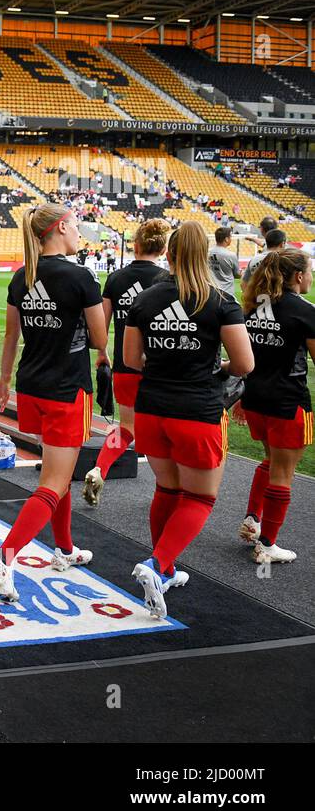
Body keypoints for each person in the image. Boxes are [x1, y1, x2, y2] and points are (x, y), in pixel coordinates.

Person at [123, 221, 253, 618]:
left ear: (171, 253)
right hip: (196, 412)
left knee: (167, 490)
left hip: (151, 409)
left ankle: (164, 567)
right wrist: (214, 366)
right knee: (200, 497)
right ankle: (156, 564)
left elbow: (131, 360)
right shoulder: (220, 301)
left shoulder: (144, 300)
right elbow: (244, 364)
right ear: (206, 253)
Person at [0, 205, 107, 601]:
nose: (79, 233)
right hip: (66, 389)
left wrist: (3, 380)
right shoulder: (80, 277)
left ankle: (65, 548)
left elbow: (10, 337)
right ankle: (4, 557)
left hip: (30, 385)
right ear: (59, 229)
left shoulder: (24, 276)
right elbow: (101, 340)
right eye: (75, 225)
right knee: (53, 483)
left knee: (61, 470)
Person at [84, 219, 171, 505]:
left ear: (136, 244)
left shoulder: (117, 278)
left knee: (126, 429)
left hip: (124, 365)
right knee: (162, 430)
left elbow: (101, 325)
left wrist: (102, 355)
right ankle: (168, 490)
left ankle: (100, 468)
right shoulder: (166, 281)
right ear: (164, 247)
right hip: (158, 368)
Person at [238, 248, 315, 564]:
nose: (311, 276)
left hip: (254, 399)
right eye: (309, 271)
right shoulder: (304, 311)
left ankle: (253, 519)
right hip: (288, 403)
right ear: (298, 276)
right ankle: (267, 546)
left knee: (271, 462)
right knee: (284, 472)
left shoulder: (254, 307)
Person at [209, 226, 242, 293]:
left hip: (212, 291)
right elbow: (237, 275)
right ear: (226, 239)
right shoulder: (231, 255)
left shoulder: (207, 252)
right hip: (227, 293)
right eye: (231, 236)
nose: (231, 239)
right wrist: (242, 272)